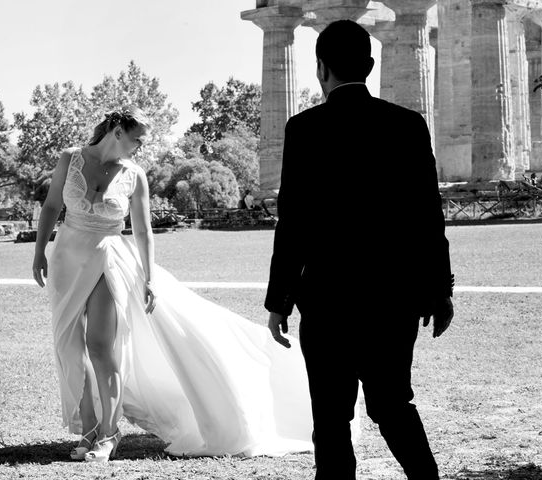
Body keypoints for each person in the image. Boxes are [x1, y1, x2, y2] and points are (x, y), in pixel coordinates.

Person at [32, 107, 328, 463]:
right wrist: (39, 253)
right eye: (137, 137)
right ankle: (90, 428)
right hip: (66, 257)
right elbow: (51, 207)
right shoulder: (70, 159)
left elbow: (143, 230)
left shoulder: (135, 175)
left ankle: (109, 434)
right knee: (69, 347)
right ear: (116, 131)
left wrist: (150, 277)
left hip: (108, 258)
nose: (141, 145)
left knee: (99, 346)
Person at [265, 21, 454, 480]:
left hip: (328, 299)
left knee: (330, 420)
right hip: (395, 298)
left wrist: (279, 300)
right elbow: (429, 217)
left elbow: (293, 223)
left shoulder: (303, 129)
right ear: (370, 66)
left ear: (320, 69)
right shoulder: (409, 126)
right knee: (392, 404)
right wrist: (440, 290)